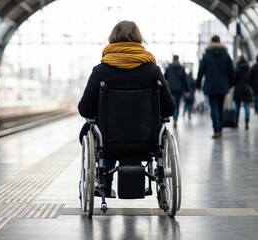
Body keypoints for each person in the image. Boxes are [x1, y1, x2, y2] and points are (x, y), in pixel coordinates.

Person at [78, 21, 175, 196]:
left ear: (112, 39)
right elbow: (169, 109)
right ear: (139, 39)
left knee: (92, 130)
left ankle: (104, 181)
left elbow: (85, 110)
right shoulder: (153, 71)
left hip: (109, 143)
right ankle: (159, 184)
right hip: (148, 141)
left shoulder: (101, 71)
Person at [196, 35, 234, 139]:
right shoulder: (226, 55)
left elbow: (200, 71)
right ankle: (220, 129)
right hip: (223, 86)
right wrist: (229, 84)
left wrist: (198, 84)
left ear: (211, 42)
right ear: (220, 41)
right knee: (220, 107)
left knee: (213, 107)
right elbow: (232, 72)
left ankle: (216, 129)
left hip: (210, 85)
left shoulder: (207, 56)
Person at [164, 55, 190, 127]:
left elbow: (165, 77)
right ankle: (176, 120)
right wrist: (187, 90)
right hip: (179, 90)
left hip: (171, 89)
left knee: (173, 104)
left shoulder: (169, 68)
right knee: (177, 105)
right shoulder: (182, 68)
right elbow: (185, 80)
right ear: (178, 59)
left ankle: (174, 118)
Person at [233, 55, 253, 129]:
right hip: (246, 89)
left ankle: (236, 123)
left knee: (237, 107)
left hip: (238, 89)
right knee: (247, 106)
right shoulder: (248, 68)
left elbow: (233, 80)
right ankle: (247, 122)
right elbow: (250, 79)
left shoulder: (236, 69)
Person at [249, 54, 258, 119]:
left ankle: (257, 112)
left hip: (255, 87)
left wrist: (251, 85)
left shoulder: (253, 68)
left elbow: (250, 78)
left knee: (256, 100)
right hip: (254, 86)